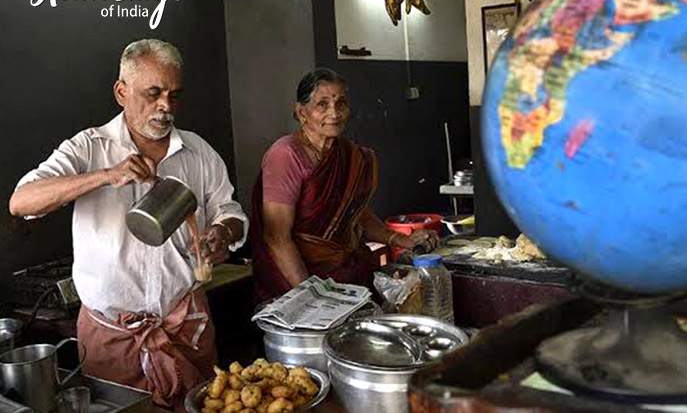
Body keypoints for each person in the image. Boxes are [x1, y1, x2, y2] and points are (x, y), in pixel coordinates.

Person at [8, 39, 248, 408]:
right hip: (112, 339)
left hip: (185, 326)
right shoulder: (89, 148)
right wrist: (105, 176)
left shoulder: (197, 153)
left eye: (174, 95)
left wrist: (222, 233)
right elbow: (22, 202)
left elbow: (230, 212)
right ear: (122, 91)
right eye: (153, 93)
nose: (166, 106)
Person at [250, 68, 438, 302]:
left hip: (344, 276)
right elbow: (277, 237)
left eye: (341, 103)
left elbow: (353, 213)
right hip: (296, 283)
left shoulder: (349, 154)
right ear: (301, 112)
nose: (334, 113)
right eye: (322, 104)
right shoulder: (286, 155)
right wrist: (314, 296)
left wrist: (401, 240)